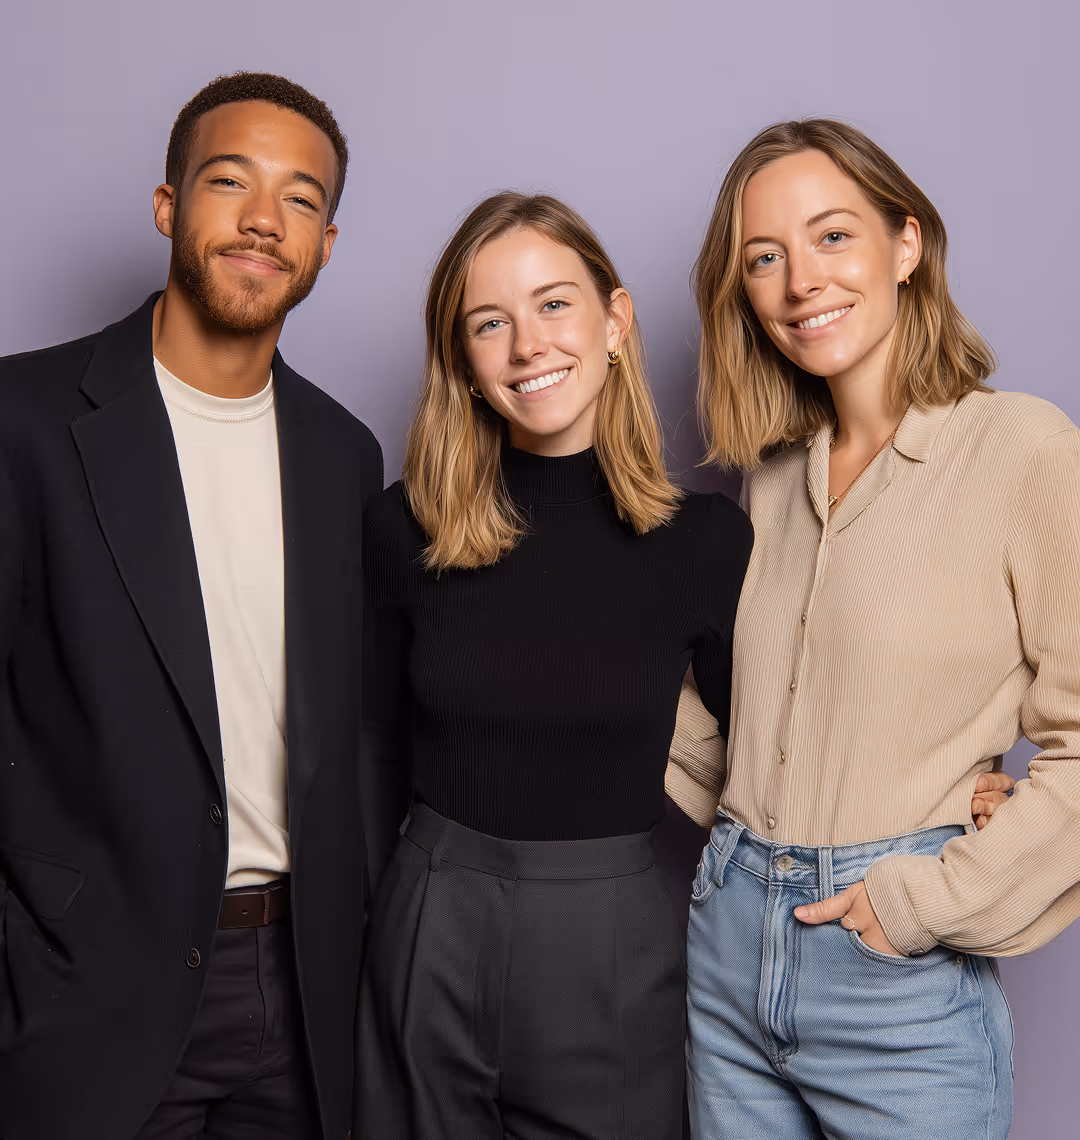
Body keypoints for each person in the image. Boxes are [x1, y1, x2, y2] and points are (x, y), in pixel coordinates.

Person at [669, 118, 1080, 1140]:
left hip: (895, 976)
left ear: (907, 246)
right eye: (765, 258)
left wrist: (931, 897)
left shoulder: (1020, 448)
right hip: (725, 948)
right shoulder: (766, 484)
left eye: (833, 237)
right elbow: (745, 728)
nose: (800, 279)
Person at [0, 72, 384, 1140]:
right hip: (86, 986)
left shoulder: (343, 454)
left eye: (301, 199)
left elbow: (348, 725)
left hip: (300, 990)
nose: (265, 221)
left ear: (327, 243)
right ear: (169, 206)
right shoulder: (21, 420)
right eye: (231, 182)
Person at [356, 191, 754, 1139]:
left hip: (609, 933)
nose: (528, 344)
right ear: (462, 358)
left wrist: (963, 778)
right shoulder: (402, 527)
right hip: (430, 913)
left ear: (615, 319)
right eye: (489, 322)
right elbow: (367, 752)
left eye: (554, 304)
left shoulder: (704, 543)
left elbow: (781, 752)